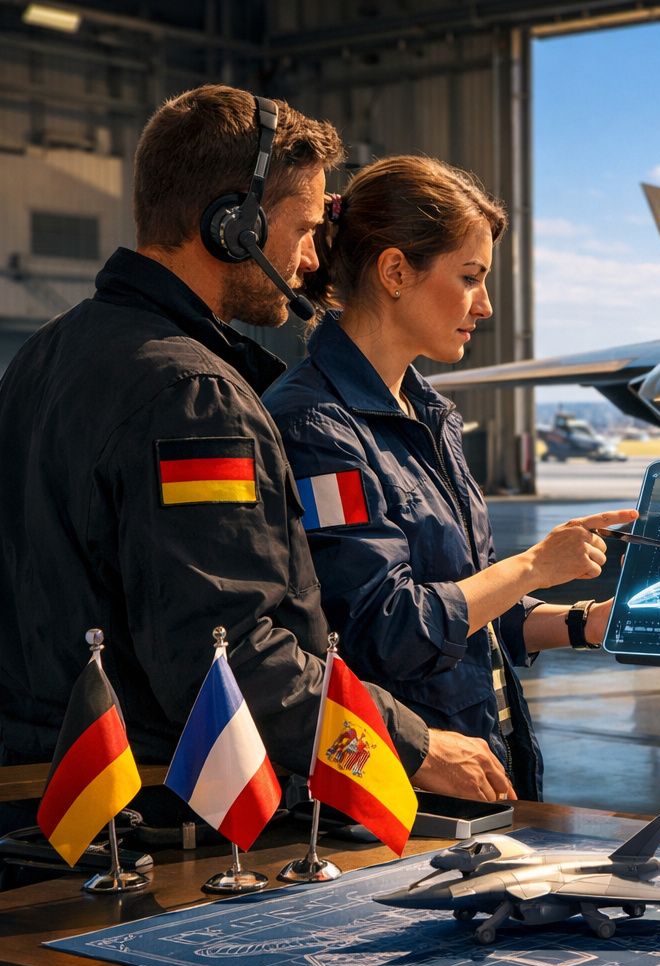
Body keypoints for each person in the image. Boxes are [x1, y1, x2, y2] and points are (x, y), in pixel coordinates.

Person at [0, 86, 511, 842]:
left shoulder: (44, 355)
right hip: (155, 825)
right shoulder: (193, 398)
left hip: (44, 806)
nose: (311, 260)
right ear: (233, 227)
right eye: (303, 229)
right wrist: (412, 744)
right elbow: (227, 654)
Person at [262, 155, 636, 802]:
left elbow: (473, 609)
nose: (485, 304)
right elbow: (387, 630)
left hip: (484, 767)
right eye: (470, 277)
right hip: (403, 788)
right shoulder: (315, 427)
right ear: (396, 272)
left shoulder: (429, 413)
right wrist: (534, 566)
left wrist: (585, 623)